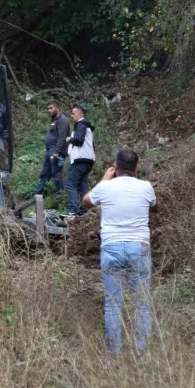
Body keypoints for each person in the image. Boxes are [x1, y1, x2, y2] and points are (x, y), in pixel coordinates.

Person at [82, 149, 159, 355]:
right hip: (139, 247)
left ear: (115, 167)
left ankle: (114, 354)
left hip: (112, 247)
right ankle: (142, 353)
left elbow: (86, 201)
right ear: (136, 167)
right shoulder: (146, 187)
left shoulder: (106, 187)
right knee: (142, 303)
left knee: (113, 304)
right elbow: (153, 205)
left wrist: (104, 180)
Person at [65, 104, 95, 216]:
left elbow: (79, 140)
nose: (71, 116)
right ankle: (83, 211)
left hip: (79, 160)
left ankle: (72, 210)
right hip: (88, 161)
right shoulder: (87, 127)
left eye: (73, 113)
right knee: (83, 187)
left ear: (80, 114)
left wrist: (70, 139)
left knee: (70, 185)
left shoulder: (81, 124)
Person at [34, 101, 69, 196]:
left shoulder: (62, 120)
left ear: (58, 108)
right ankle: (38, 193)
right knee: (45, 172)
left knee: (56, 172)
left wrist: (57, 151)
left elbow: (62, 137)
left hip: (55, 151)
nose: (49, 110)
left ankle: (59, 194)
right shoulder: (54, 120)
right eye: (48, 108)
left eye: (51, 108)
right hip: (50, 150)